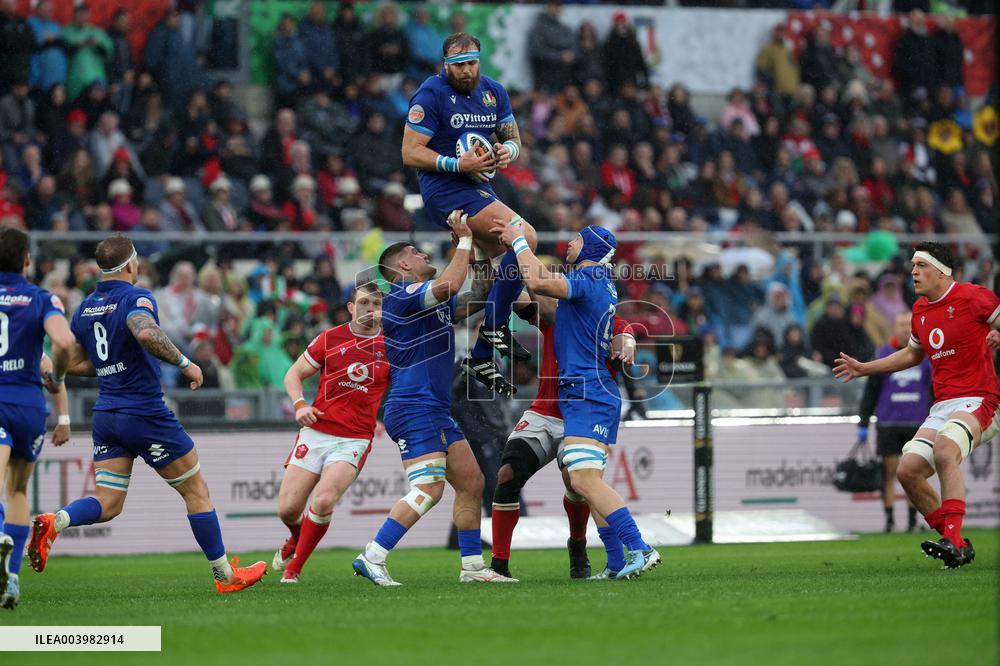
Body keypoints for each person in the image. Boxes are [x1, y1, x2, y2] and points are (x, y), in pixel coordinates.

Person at [27, 236, 267, 593]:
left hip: (107, 415)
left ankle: (55, 521)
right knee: (196, 491)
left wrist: (59, 374)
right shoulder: (136, 298)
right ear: (129, 265)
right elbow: (144, 330)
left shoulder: (86, 307)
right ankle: (224, 576)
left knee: (108, 503)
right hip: (145, 412)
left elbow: (77, 360)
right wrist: (186, 363)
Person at [352, 211, 514, 586]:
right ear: (403, 265)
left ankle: (473, 568)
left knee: (472, 482)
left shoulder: (428, 301)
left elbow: (475, 293)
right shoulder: (401, 296)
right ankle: (372, 555)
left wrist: (476, 255)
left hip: (433, 409)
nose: (426, 255)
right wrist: (464, 241)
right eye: (417, 253)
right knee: (429, 489)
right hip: (412, 406)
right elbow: (449, 285)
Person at [493, 222, 660, 580]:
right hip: (580, 394)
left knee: (583, 482)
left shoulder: (587, 282)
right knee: (587, 483)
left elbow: (537, 282)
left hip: (586, 392)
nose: (568, 243)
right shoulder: (594, 289)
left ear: (592, 249)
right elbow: (524, 290)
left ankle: (639, 547)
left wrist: (520, 239)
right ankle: (617, 561)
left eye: (577, 240)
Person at [835, 242, 1000, 569]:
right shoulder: (921, 311)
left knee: (943, 451)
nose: (914, 272)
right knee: (907, 471)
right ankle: (956, 543)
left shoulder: (972, 296)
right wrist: (865, 367)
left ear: (941, 270)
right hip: (943, 406)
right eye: (913, 265)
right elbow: (912, 354)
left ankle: (952, 538)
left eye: (921, 265)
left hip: (980, 398)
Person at [403, 32, 534, 395]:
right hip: (445, 188)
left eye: (472, 63)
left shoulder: (493, 91)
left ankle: (480, 354)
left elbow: (513, 137)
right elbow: (410, 152)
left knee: (525, 295)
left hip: (478, 187)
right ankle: (492, 330)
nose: (466, 71)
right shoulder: (430, 94)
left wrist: (508, 150)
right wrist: (455, 162)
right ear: (445, 65)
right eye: (458, 66)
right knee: (527, 236)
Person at [490, 290, 637, 581]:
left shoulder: (613, 323)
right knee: (508, 473)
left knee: (580, 485)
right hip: (544, 412)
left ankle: (579, 546)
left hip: (581, 415)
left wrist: (627, 344)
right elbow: (520, 300)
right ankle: (498, 565)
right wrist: (495, 267)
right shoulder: (557, 315)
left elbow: (625, 337)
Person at [272, 281, 388, 584]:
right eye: (364, 303)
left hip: (354, 438)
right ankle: (295, 538)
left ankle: (293, 569)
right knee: (287, 510)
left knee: (323, 501)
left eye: (376, 305)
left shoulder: (392, 345)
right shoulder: (330, 338)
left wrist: (385, 417)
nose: (370, 310)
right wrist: (299, 405)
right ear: (351, 308)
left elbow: (403, 388)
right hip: (316, 430)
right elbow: (293, 374)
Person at [0, 228, 75, 610]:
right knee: (16, 491)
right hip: (29, 406)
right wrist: (59, 384)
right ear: (26, 260)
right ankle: (11, 576)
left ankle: (0, 539)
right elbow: (62, 344)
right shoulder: (40, 298)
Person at [857, 312, 932, 532]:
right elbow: (871, 392)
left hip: (917, 422)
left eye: (908, 325)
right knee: (889, 473)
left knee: (913, 474)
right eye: (900, 325)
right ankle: (889, 520)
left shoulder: (926, 356)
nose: (905, 329)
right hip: (889, 422)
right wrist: (863, 423)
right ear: (894, 329)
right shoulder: (882, 355)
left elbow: (935, 388)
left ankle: (911, 519)